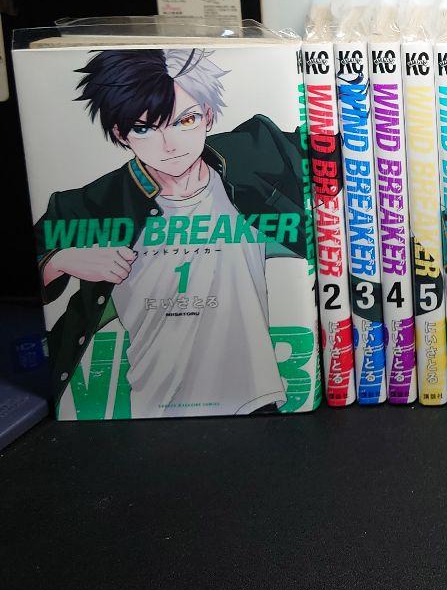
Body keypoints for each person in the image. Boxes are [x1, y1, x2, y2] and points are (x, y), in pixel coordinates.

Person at [36, 48, 309, 417]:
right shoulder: (93, 202)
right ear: (120, 134)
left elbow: (342, 149)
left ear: (207, 115)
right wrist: (61, 260)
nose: (170, 144)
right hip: (152, 408)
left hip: (256, 401)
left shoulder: (256, 156)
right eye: (144, 128)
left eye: (186, 120)